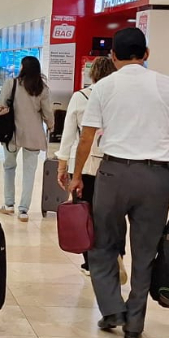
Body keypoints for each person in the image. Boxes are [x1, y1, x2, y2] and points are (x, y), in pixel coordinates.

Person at [70, 29, 169, 338]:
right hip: (156, 178)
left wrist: (75, 176)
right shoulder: (167, 85)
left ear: (112, 57)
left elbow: (86, 138)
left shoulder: (103, 87)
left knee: (102, 245)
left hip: (113, 174)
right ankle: (135, 323)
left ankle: (112, 309)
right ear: (146, 53)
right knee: (145, 251)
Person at [58, 56, 117, 273]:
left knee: (85, 211)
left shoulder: (80, 97)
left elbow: (68, 135)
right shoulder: (118, 98)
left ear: (92, 75)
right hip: (112, 163)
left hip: (84, 165)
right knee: (110, 212)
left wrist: (62, 165)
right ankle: (113, 254)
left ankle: (89, 260)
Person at [0, 55, 55, 221]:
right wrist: (50, 125)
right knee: (29, 172)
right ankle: (23, 210)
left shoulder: (12, 83)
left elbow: (1, 106)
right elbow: (48, 112)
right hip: (33, 134)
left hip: (12, 133)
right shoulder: (42, 88)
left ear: (23, 68)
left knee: (9, 168)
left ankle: (8, 204)